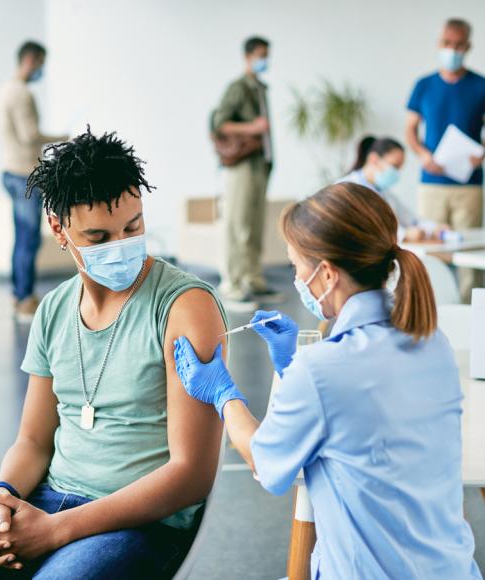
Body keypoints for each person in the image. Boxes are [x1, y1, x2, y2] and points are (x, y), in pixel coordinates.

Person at [0, 128, 226, 578]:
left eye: (133, 227)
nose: (121, 247)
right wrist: (1, 498)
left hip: (137, 523)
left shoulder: (185, 306)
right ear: (58, 228)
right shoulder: (55, 309)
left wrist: (56, 530)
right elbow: (33, 441)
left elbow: (191, 474)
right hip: (44, 501)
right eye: (98, 237)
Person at [174, 182, 481, 579]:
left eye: (297, 268)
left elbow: (265, 463)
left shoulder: (321, 369)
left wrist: (222, 391)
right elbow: (361, 415)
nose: (296, 279)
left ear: (327, 274)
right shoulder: (433, 343)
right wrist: (293, 370)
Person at [405, 18, 485, 302]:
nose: (452, 50)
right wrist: (423, 155)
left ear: (468, 46)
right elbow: (410, 129)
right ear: (440, 44)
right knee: (430, 250)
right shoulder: (424, 85)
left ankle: (469, 309)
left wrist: (482, 152)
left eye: (458, 44)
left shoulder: (480, 85)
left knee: (470, 253)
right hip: (432, 182)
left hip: (469, 184)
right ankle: (429, 306)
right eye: (447, 43)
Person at [0, 40, 68, 323]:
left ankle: (19, 295)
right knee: (28, 239)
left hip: (10, 172)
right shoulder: (22, 94)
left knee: (21, 238)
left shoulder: (5, 90)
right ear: (30, 60)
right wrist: (62, 137)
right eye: (41, 63)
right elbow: (29, 135)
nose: (42, 70)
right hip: (25, 174)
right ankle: (25, 300)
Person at [213, 36, 280, 308]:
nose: (265, 60)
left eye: (267, 55)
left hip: (259, 166)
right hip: (240, 167)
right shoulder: (238, 88)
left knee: (253, 225)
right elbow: (221, 123)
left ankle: (252, 279)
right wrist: (252, 128)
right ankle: (230, 284)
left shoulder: (260, 88)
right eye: (261, 55)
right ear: (248, 56)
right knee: (236, 224)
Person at [340, 135, 448, 243]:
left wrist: (434, 228)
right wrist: (404, 234)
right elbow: (367, 229)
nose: (396, 173)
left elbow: (411, 219)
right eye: (394, 166)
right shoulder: (348, 188)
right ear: (374, 159)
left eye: (399, 169)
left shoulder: (382, 192)